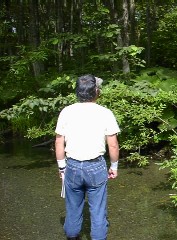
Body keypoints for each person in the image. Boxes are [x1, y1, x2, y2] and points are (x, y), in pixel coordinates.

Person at [55, 74, 120, 240]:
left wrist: (62, 167)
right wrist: (114, 167)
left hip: (72, 166)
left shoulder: (66, 112)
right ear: (96, 91)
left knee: (72, 207)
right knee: (98, 210)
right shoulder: (105, 113)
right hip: (96, 166)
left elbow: (59, 142)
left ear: (78, 92)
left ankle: (71, 235)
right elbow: (112, 145)